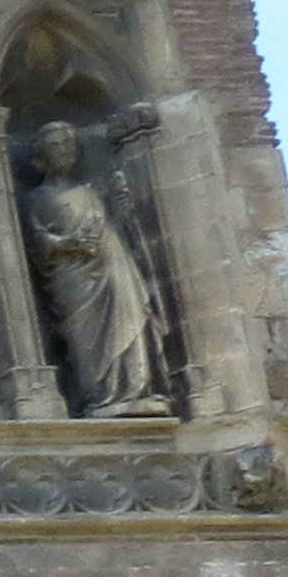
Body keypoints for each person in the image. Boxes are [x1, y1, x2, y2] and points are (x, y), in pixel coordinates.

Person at [21, 120, 168, 417]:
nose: (64, 151)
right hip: (74, 279)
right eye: (55, 146)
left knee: (129, 316)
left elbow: (110, 229)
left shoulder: (90, 191)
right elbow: (37, 242)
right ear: (43, 154)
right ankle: (101, 395)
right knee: (85, 338)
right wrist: (69, 243)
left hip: (112, 267)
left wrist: (120, 207)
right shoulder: (36, 198)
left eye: (68, 144)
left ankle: (134, 388)